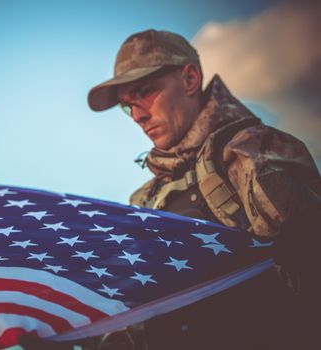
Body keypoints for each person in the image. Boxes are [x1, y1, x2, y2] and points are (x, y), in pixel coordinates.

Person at [82, 29, 320, 349]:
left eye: (146, 91)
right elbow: (142, 328)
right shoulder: (145, 201)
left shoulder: (248, 153)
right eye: (128, 105)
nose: (137, 115)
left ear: (190, 79)